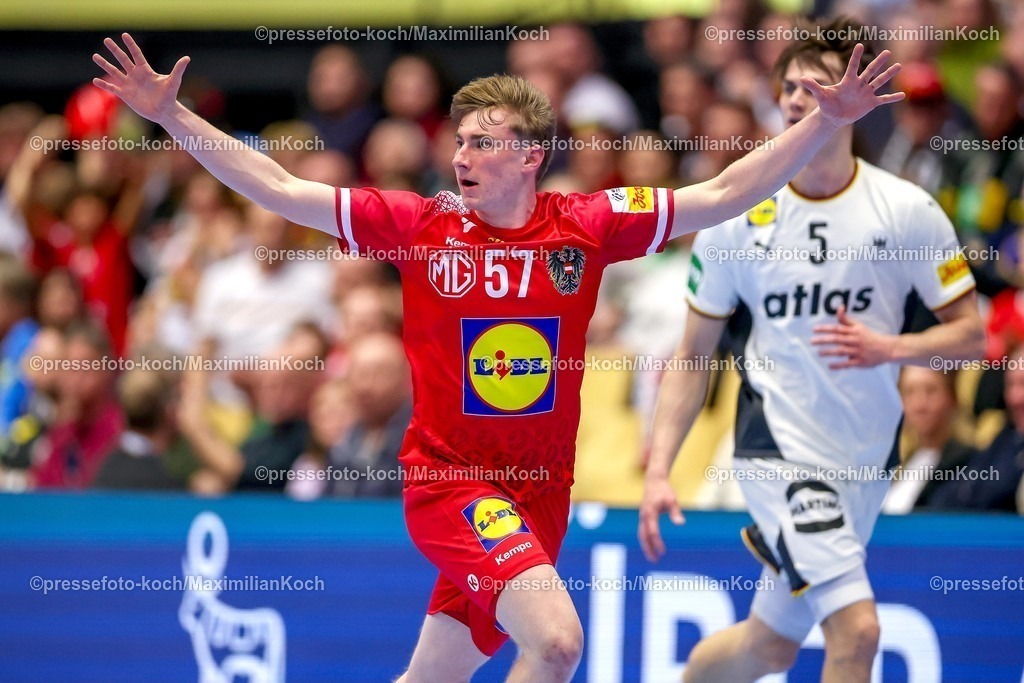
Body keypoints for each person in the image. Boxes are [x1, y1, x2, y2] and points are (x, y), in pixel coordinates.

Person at [93, 31, 903, 682]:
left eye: (484, 142)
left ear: (531, 155)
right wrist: (173, 118)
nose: (462, 157)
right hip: (451, 481)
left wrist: (827, 121)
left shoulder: (586, 225)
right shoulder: (420, 224)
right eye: (459, 142)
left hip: (542, 494)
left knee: (436, 673)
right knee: (555, 642)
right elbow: (281, 189)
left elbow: (723, 194)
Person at [638, 21, 986, 683]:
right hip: (776, 451)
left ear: (859, 99)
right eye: (791, 87)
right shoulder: (734, 215)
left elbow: (971, 334)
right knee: (858, 631)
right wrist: (660, 468)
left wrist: (891, 346)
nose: (801, 98)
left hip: (864, 460)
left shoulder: (906, 209)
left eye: (820, 85)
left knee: (766, 646)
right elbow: (692, 353)